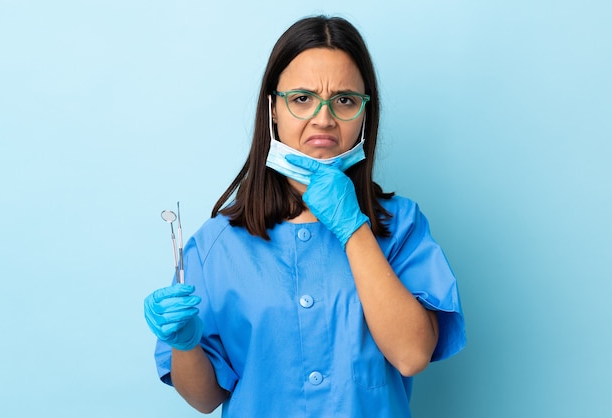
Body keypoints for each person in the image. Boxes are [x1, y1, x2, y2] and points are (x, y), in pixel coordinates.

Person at [144, 15, 465, 417]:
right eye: (302, 98)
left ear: (365, 113)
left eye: (345, 100)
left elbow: (412, 355)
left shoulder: (401, 226)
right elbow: (205, 400)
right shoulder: (217, 243)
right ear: (273, 108)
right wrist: (185, 344)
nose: (324, 118)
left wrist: (353, 228)